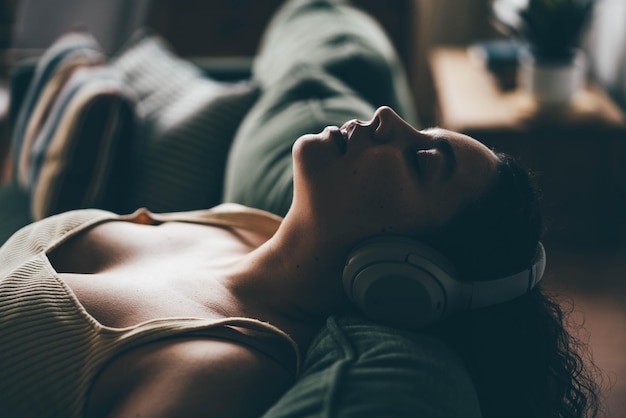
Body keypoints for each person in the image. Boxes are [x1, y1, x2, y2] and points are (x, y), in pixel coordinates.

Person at [0, 1, 601, 418]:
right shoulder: (243, 225)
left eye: (422, 160)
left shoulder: (216, 375)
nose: (389, 119)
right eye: (421, 128)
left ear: (408, 272)